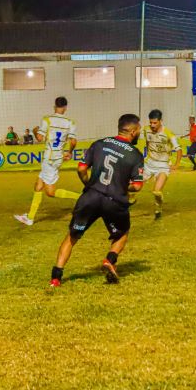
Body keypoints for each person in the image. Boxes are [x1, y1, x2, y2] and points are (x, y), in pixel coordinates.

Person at [49, 114, 144, 287]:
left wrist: (89, 183)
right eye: (139, 130)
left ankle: (55, 278)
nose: (140, 133)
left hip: (90, 197)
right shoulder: (135, 155)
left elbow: (81, 168)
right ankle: (110, 259)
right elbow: (137, 186)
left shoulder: (99, 144)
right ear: (132, 131)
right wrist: (123, 186)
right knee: (122, 234)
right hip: (114, 201)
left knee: (72, 236)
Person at [14, 97, 80, 226]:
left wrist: (34, 130)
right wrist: (70, 152)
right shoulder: (70, 122)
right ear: (66, 108)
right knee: (39, 186)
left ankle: (82, 198)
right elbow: (73, 141)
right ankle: (30, 217)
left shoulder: (47, 119)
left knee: (50, 192)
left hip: (49, 158)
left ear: (54, 106)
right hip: (58, 158)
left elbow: (39, 138)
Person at [142, 109, 182, 219]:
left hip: (163, 166)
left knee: (156, 191)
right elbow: (147, 143)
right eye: (151, 122)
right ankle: (127, 202)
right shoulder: (146, 130)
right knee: (133, 186)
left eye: (155, 123)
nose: (152, 125)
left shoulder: (169, 134)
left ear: (161, 121)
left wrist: (176, 165)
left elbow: (179, 150)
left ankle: (158, 209)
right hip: (148, 164)